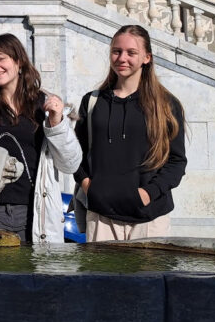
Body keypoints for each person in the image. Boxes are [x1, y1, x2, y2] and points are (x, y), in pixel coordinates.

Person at [0, 34, 81, 244]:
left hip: (35, 213)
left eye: (1, 58)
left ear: (18, 61)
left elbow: (69, 164)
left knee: (33, 265)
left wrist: (57, 123)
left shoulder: (44, 105)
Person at [74, 25, 187, 242]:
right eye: (116, 51)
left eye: (131, 52)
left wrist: (148, 194)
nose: (122, 58)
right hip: (101, 217)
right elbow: (75, 154)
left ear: (146, 58)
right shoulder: (92, 101)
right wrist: (89, 187)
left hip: (150, 218)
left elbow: (176, 161)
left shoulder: (166, 105)